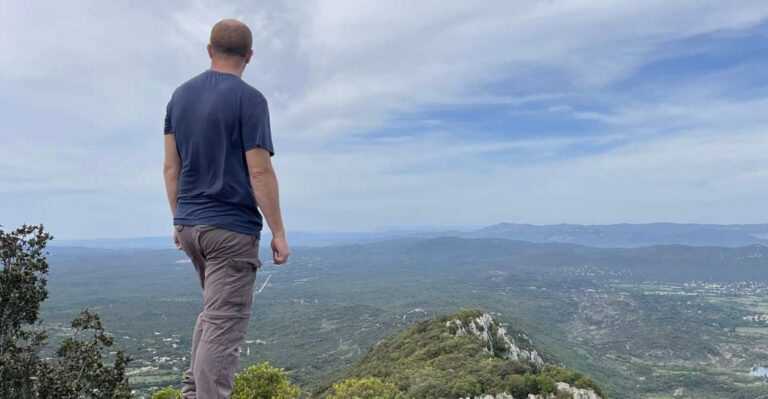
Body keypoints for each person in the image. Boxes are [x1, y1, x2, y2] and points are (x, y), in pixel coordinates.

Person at [162, 18, 290, 398]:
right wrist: (279, 232)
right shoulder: (250, 99)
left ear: (209, 50)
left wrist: (178, 217)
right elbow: (260, 171)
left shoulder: (179, 97)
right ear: (249, 55)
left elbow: (171, 167)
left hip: (190, 227)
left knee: (212, 318)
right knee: (222, 330)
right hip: (230, 230)